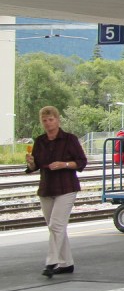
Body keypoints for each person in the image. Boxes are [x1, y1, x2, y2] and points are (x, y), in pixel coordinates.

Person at [24, 106, 86, 277]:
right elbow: (35, 165)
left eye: (50, 119)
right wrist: (30, 163)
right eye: (44, 120)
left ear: (58, 120)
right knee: (56, 228)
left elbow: (81, 162)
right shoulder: (40, 141)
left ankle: (51, 262)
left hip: (66, 187)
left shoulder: (69, 139)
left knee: (56, 225)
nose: (47, 123)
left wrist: (64, 164)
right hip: (46, 187)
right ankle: (66, 264)